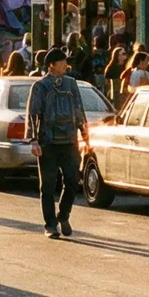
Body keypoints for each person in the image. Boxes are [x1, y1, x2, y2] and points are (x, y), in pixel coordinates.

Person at [27, 50, 88, 239]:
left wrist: (84, 132)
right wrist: (33, 140)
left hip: (69, 141)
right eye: (62, 62)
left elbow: (78, 108)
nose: (66, 65)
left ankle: (64, 215)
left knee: (72, 181)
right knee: (47, 185)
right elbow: (32, 113)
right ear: (52, 65)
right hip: (48, 142)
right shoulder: (40, 86)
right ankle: (50, 225)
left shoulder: (71, 83)